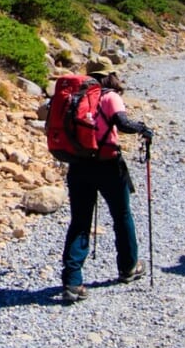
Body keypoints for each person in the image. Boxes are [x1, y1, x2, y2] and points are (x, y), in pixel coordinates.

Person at [62, 55, 154, 302]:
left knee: (79, 222)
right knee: (122, 215)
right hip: (108, 164)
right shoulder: (110, 96)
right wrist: (143, 129)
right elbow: (122, 123)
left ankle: (72, 282)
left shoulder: (75, 98)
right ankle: (128, 267)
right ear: (109, 75)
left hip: (78, 165)